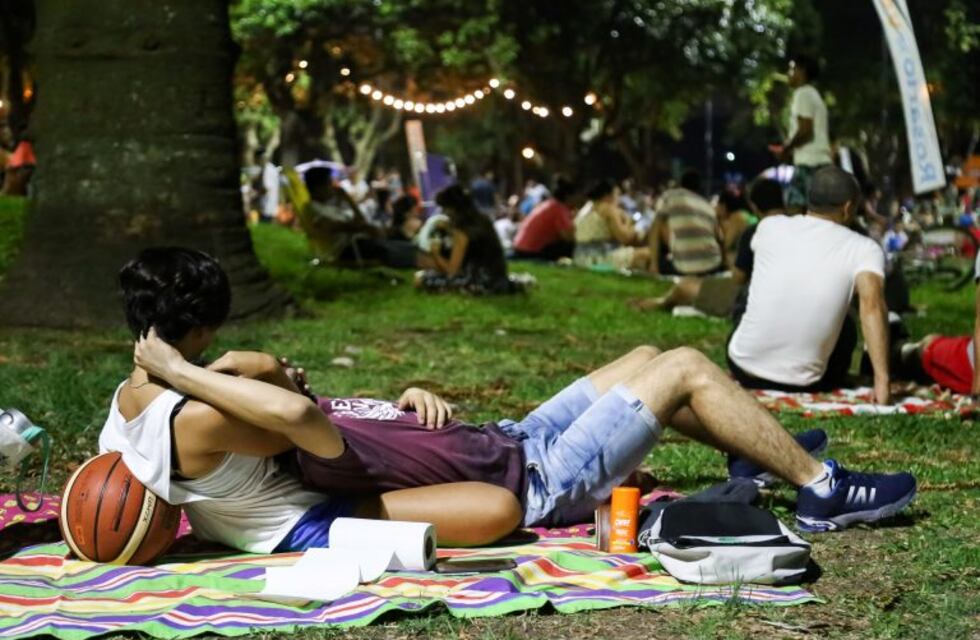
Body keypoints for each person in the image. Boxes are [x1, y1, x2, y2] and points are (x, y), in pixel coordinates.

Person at [127, 249, 917, 536]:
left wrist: (410, 390)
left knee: (642, 350)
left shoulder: (284, 398)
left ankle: (756, 454)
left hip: (512, 433)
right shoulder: (291, 434)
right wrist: (171, 367)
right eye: (274, 375)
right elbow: (288, 408)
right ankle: (820, 488)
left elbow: (274, 377)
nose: (292, 372)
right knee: (679, 365)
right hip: (539, 477)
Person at [100, 248, 523, 554]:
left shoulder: (125, 398)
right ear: (201, 331)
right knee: (496, 507)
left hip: (250, 516)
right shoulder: (198, 416)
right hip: (301, 519)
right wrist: (192, 371)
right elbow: (303, 424)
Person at [727, 166, 891, 402]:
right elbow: (872, 306)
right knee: (845, 326)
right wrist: (882, 381)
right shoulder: (863, 248)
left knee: (748, 295)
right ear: (847, 207)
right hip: (808, 382)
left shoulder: (769, 227)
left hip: (743, 368)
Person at [631, 178, 784, 316]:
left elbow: (738, 278)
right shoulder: (802, 228)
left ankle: (660, 303)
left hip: (756, 298)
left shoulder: (756, 232)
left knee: (685, 287)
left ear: (755, 206)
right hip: (792, 297)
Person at [299, 167, 429, 270]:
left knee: (402, 246)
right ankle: (430, 263)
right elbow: (335, 226)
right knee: (391, 250)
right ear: (318, 187)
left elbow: (359, 221)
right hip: (346, 250)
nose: (333, 188)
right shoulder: (313, 208)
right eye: (329, 184)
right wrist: (365, 228)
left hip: (356, 242)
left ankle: (430, 259)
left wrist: (348, 201)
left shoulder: (328, 206)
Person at [892, 252, 980, 396]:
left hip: (967, 366)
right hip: (968, 358)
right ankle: (897, 351)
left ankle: (898, 352)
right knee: (931, 348)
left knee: (930, 348)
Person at [416, 185, 517, 294]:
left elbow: (452, 271)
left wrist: (436, 254)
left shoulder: (461, 230)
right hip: (497, 279)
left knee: (420, 278)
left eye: (445, 208)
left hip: (480, 283)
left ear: (453, 208)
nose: (443, 213)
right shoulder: (481, 221)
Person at [779, 55, 832, 213]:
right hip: (819, 162)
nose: (789, 73)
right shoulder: (814, 94)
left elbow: (805, 130)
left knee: (793, 210)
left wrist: (786, 149)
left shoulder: (803, 94)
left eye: (792, 69)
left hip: (810, 163)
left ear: (801, 71)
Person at [649, 171, 723, 276]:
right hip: (713, 264)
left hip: (684, 267)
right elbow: (719, 237)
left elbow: (655, 230)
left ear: (681, 183)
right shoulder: (708, 206)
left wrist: (653, 265)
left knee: (659, 224)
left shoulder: (670, 196)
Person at [574, 179, 651, 271]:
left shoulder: (585, 209)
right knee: (649, 253)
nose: (618, 199)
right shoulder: (608, 209)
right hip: (599, 260)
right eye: (617, 194)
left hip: (579, 258)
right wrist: (630, 222)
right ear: (608, 195)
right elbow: (625, 238)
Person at [513, 175, 579, 261]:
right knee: (570, 245)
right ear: (568, 196)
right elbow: (568, 237)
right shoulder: (559, 209)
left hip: (519, 247)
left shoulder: (549, 204)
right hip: (530, 252)